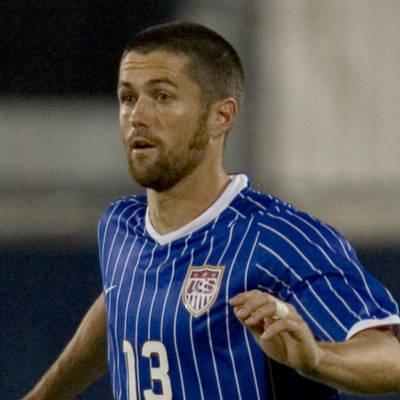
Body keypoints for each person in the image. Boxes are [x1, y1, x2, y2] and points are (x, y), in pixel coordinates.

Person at [22, 21, 400, 400]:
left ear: (221, 116)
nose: (137, 116)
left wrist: (318, 358)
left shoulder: (280, 241)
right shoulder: (121, 225)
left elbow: (391, 359)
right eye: (127, 98)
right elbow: (122, 302)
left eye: (162, 97)